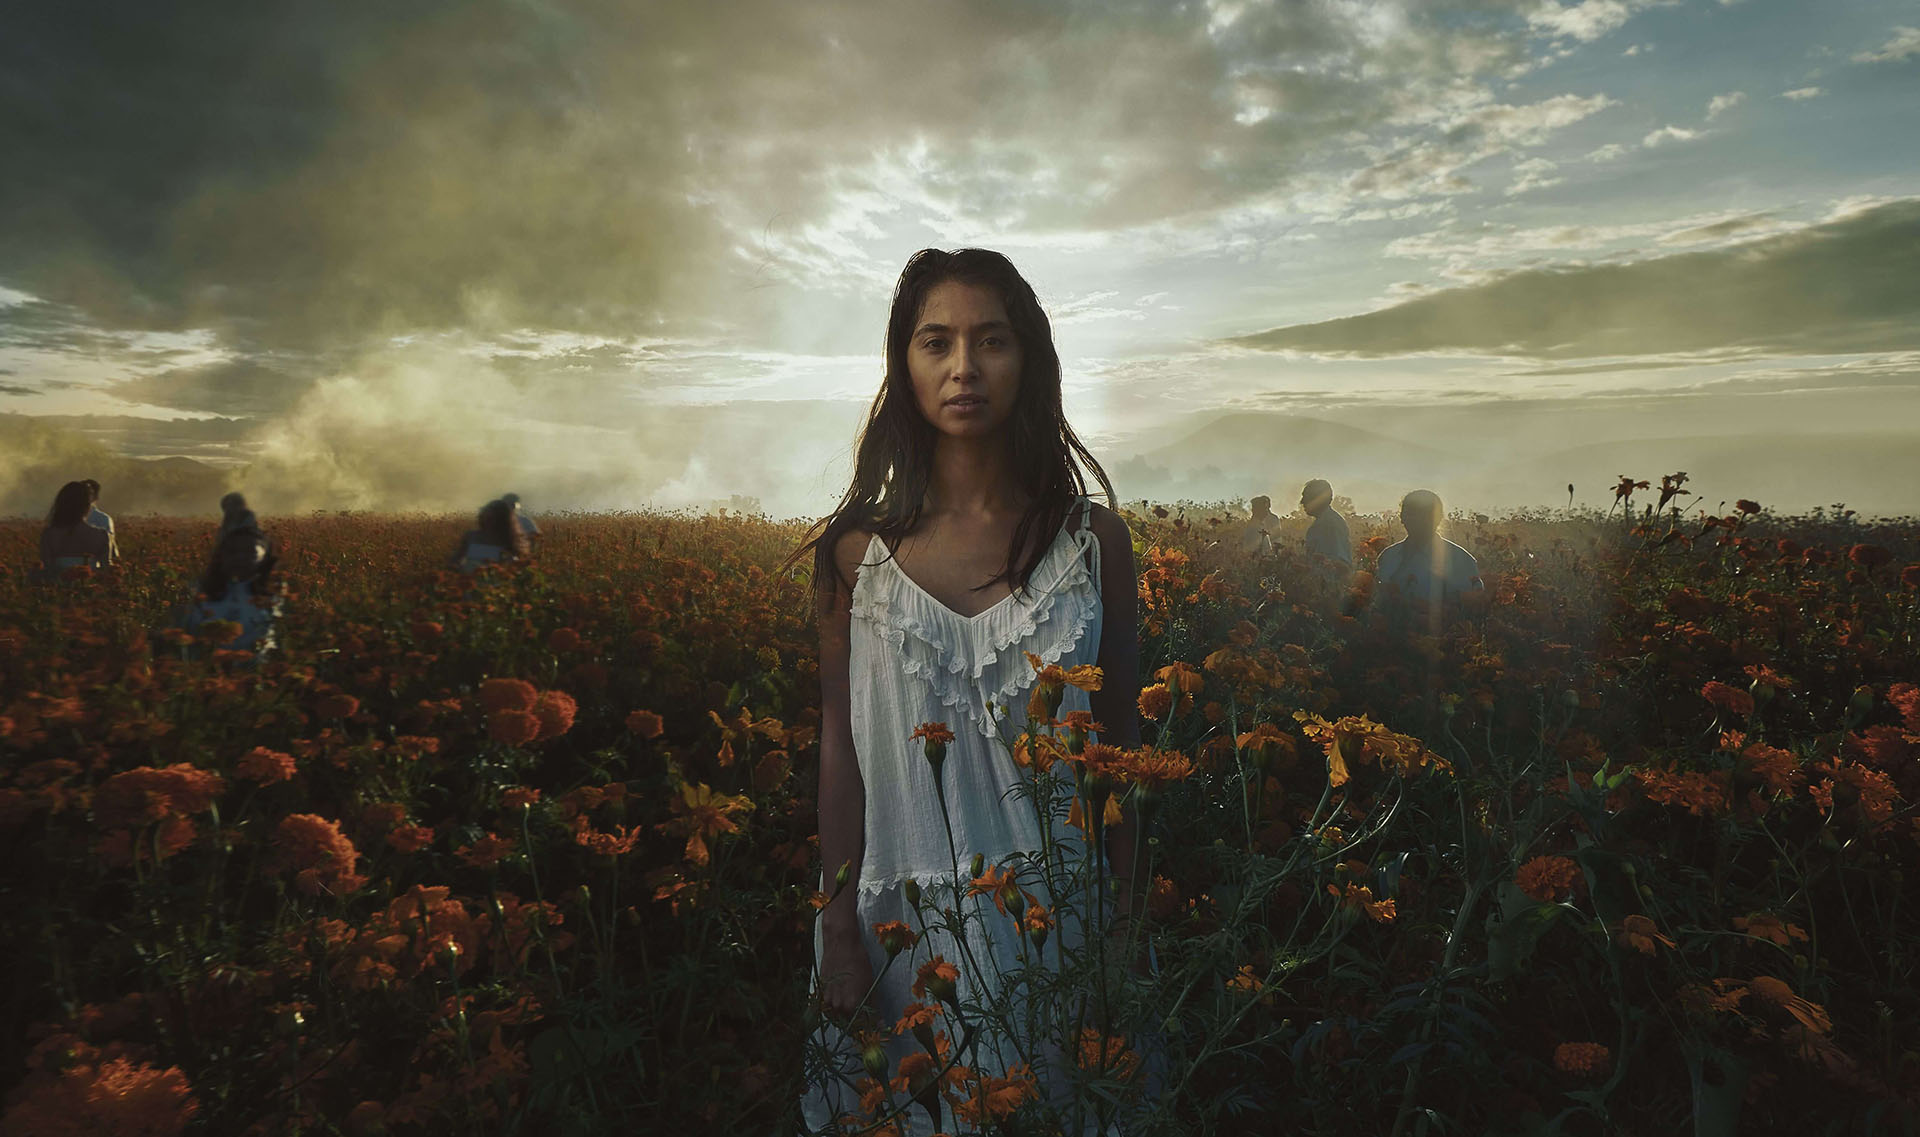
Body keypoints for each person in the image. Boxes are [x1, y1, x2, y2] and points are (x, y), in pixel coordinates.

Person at [794, 248, 1142, 1133]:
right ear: (901, 366)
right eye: (935, 341)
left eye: (991, 340)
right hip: (903, 937)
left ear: (1028, 359)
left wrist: (1128, 925)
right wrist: (839, 930)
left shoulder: (1092, 541)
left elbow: (1123, 750)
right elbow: (841, 750)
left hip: (1060, 926)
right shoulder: (853, 556)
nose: (963, 367)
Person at [168, 522, 285, 659]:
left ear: (265, 556)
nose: (241, 558)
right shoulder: (197, 590)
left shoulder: (275, 592)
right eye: (234, 551)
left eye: (250, 551)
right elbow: (180, 633)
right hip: (206, 665)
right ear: (221, 556)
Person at [1374, 490, 1482, 612]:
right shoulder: (1388, 557)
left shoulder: (1460, 559)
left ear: (1438, 518)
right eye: (1411, 513)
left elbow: (1471, 607)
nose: (1418, 520)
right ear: (1402, 518)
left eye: (1425, 514)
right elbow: (1378, 603)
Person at [37, 481, 116, 576]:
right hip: (90, 587)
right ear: (87, 506)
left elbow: (47, 568)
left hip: (58, 587)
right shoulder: (101, 536)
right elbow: (106, 569)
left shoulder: (49, 535)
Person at [450, 499, 528, 573]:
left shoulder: (507, 539)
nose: (488, 521)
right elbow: (456, 559)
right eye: (486, 516)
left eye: (492, 518)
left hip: (496, 582)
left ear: (502, 520)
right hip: (468, 581)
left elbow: (512, 565)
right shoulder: (471, 536)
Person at [1300, 479, 1352, 567]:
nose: (1302, 502)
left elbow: (1336, 563)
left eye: (1306, 498)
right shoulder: (1324, 521)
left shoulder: (1329, 524)